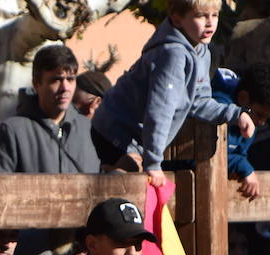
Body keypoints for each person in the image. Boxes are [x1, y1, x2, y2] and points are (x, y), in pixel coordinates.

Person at [90, 0, 254, 187]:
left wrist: (235, 114)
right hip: (115, 127)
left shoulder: (201, 51)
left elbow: (199, 102)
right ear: (177, 20)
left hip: (135, 133)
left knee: (135, 178)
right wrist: (153, 162)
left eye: (214, 15)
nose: (210, 23)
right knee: (130, 175)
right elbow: (160, 110)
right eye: (201, 16)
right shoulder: (172, 55)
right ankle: (101, 198)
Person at [0, 44, 99, 175]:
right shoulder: (12, 131)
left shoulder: (90, 130)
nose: (65, 88)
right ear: (36, 83)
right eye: (56, 80)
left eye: (70, 79)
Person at [212, 62, 270, 201]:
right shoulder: (216, 108)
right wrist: (245, 169)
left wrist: (242, 168)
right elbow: (207, 153)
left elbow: (239, 153)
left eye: (267, 117)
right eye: (260, 115)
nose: (262, 122)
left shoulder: (251, 121)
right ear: (243, 98)